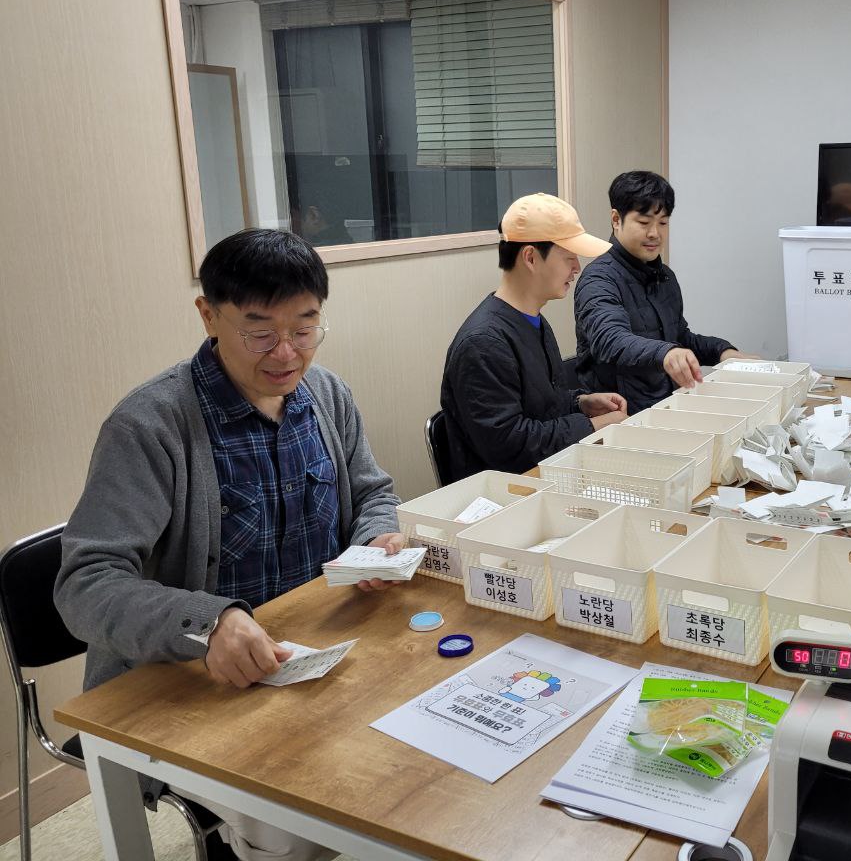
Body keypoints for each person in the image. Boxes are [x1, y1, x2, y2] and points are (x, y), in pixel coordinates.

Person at [55, 228, 403, 861]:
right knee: (292, 832)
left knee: (407, 769)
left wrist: (376, 538)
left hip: (313, 655)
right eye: (259, 331)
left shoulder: (326, 396)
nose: (287, 353)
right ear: (208, 315)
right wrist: (208, 623)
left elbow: (373, 491)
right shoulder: (150, 426)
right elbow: (85, 583)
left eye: (305, 327)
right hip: (195, 683)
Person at [440, 193, 626, 480]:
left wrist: (581, 403)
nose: (577, 268)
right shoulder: (483, 343)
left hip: (547, 477)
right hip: (505, 492)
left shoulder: (533, 321)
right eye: (569, 257)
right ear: (530, 258)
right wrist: (593, 426)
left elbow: (540, 404)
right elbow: (510, 445)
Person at [573, 170, 746, 412]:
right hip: (621, 415)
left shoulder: (664, 276)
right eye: (644, 223)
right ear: (616, 219)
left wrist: (723, 351)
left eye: (663, 222)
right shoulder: (599, 278)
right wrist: (667, 353)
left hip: (665, 406)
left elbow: (680, 338)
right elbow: (610, 339)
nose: (655, 233)